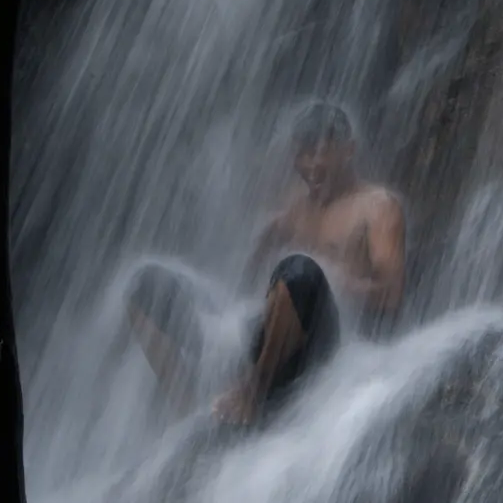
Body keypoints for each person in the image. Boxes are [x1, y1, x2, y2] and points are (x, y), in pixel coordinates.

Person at [125, 102, 407, 425]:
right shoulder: (293, 209)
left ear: (348, 151)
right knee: (144, 285)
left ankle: (251, 394)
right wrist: (257, 261)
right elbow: (249, 273)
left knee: (300, 270)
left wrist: (341, 282)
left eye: (321, 154)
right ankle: (189, 415)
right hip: (273, 340)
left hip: (334, 350)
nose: (311, 166)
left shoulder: (379, 207)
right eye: (302, 156)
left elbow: (392, 295)